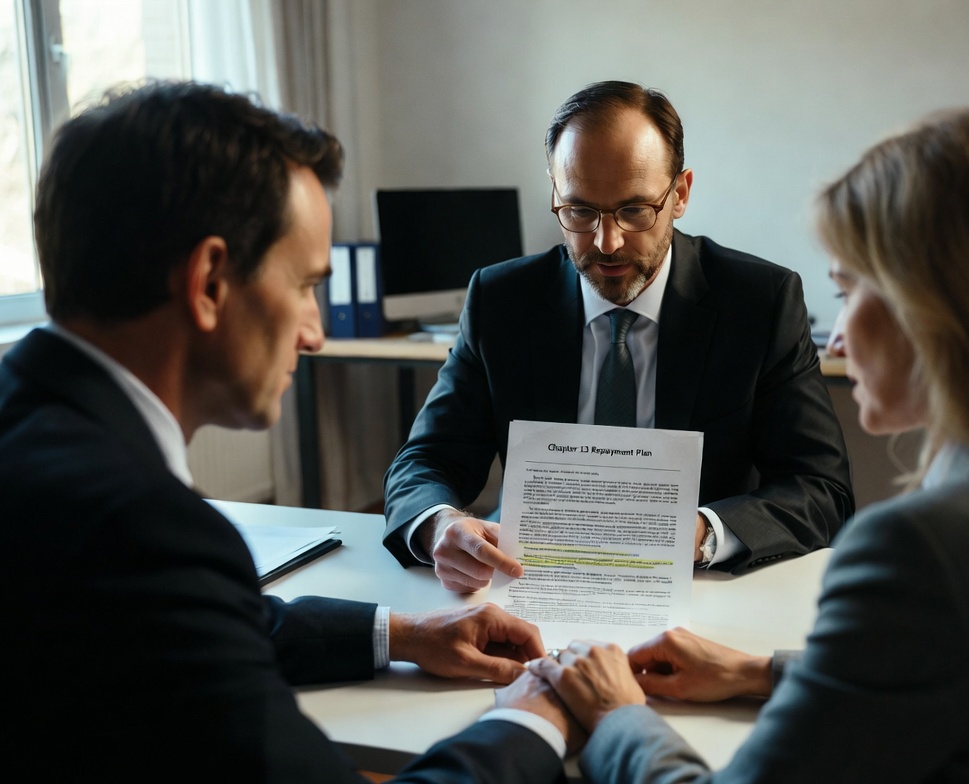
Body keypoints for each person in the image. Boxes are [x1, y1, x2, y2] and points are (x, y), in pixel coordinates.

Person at [510, 108, 969, 780]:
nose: (840, 340)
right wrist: (760, 671)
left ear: (936, 309)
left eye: (848, 291)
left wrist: (619, 713)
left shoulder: (927, 549)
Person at [1, 81, 571, 782]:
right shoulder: (138, 530)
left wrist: (408, 633)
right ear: (210, 280)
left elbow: (205, 626)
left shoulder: (29, 426)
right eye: (305, 285)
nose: (317, 334)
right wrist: (532, 718)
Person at [383, 81, 854, 592]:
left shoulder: (760, 302)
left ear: (680, 195)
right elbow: (426, 459)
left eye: (634, 210)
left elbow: (821, 487)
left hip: (698, 589)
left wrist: (701, 533)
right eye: (580, 211)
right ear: (555, 194)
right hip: (529, 577)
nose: (607, 243)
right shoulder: (502, 300)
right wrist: (438, 526)